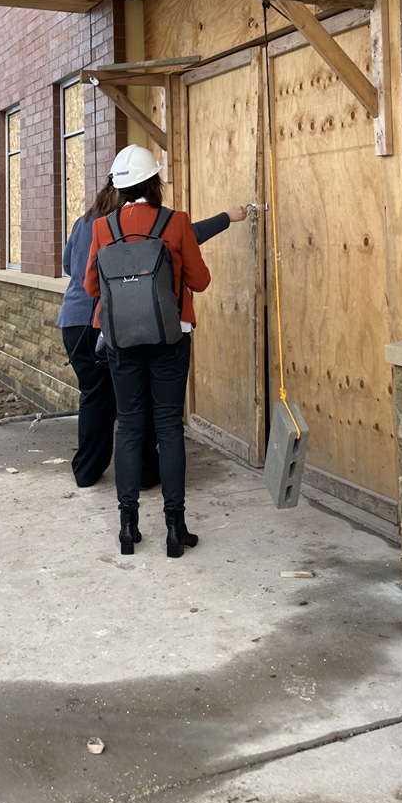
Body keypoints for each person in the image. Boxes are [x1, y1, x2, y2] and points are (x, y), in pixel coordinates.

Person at [59, 179, 248, 489]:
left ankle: (89, 472)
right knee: (140, 407)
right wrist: (225, 217)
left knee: (96, 399)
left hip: (75, 321)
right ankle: (146, 474)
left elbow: (71, 268)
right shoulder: (130, 224)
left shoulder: (86, 223)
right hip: (117, 322)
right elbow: (184, 241)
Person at [83, 145, 211, 558]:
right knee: (169, 427)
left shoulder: (102, 227)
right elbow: (201, 281)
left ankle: (128, 527)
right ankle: (175, 529)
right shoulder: (177, 222)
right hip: (170, 336)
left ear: (119, 187)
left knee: (130, 427)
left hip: (121, 339)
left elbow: (90, 286)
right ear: (154, 181)